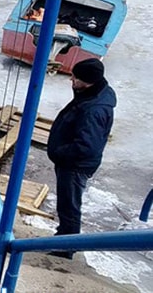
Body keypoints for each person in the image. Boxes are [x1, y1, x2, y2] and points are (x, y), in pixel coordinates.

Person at [46, 58, 116, 259]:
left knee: (69, 207)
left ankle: (65, 248)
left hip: (75, 166)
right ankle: (63, 239)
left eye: (75, 77)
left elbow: (87, 146)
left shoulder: (94, 109)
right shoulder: (91, 95)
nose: (71, 80)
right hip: (72, 163)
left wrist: (60, 152)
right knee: (67, 204)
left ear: (87, 81)